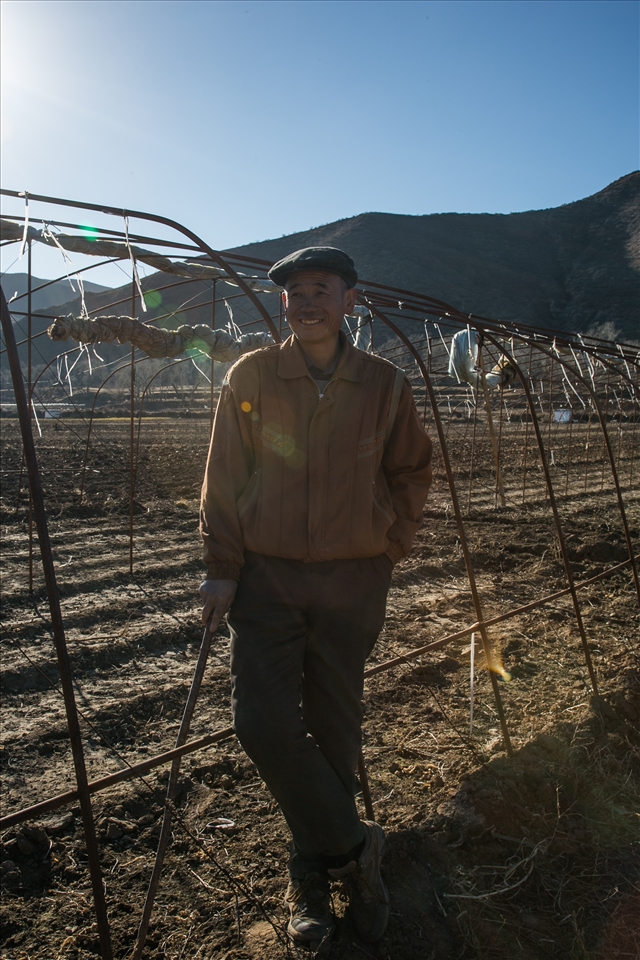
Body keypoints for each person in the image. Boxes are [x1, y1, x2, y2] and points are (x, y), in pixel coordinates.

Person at [199, 246, 432, 950]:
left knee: (335, 727)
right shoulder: (253, 374)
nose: (306, 302)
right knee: (260, 721)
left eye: (320, 290)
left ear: (349, 301)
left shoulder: (383, 383)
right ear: (282, 306)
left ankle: (310, 875)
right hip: (268, 580)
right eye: (295, 292)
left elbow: (412, 470)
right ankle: (356, 848)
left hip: (352, 583)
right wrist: (222, 566)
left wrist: (388, 545)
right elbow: (223, 473)